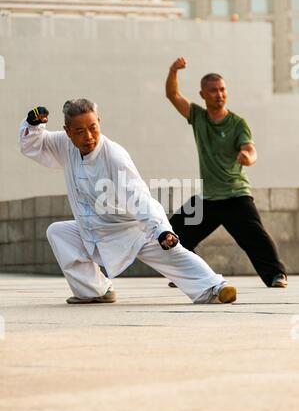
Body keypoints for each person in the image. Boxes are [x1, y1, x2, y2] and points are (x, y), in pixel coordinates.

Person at [19, 99, 237, 305]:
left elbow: (138, 196)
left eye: (93, 127)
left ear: (99, 122)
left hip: (128, 228)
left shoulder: (113, 155)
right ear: (67, 132)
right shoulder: (64, 144)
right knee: (59, 233)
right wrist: (33, 124)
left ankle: (215, 287)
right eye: (79, 131)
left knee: (171, 253)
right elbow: (34, 145)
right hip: (92, 229)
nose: (88, 136)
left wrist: (161, 229)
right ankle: (95, 292)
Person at [165, 57, 287, 289]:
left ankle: (277, 275)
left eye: (222, 90)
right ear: (203, 94)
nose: (219, 94)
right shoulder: (198, 118)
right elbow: (173, 95)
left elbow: (249, 149)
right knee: (174, 232)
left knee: (255, 238)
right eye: (213, 91)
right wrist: (173, 71)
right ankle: (187, 274)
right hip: (209, 198)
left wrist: (248, 157)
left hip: (235, 195)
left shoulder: (238, 123)